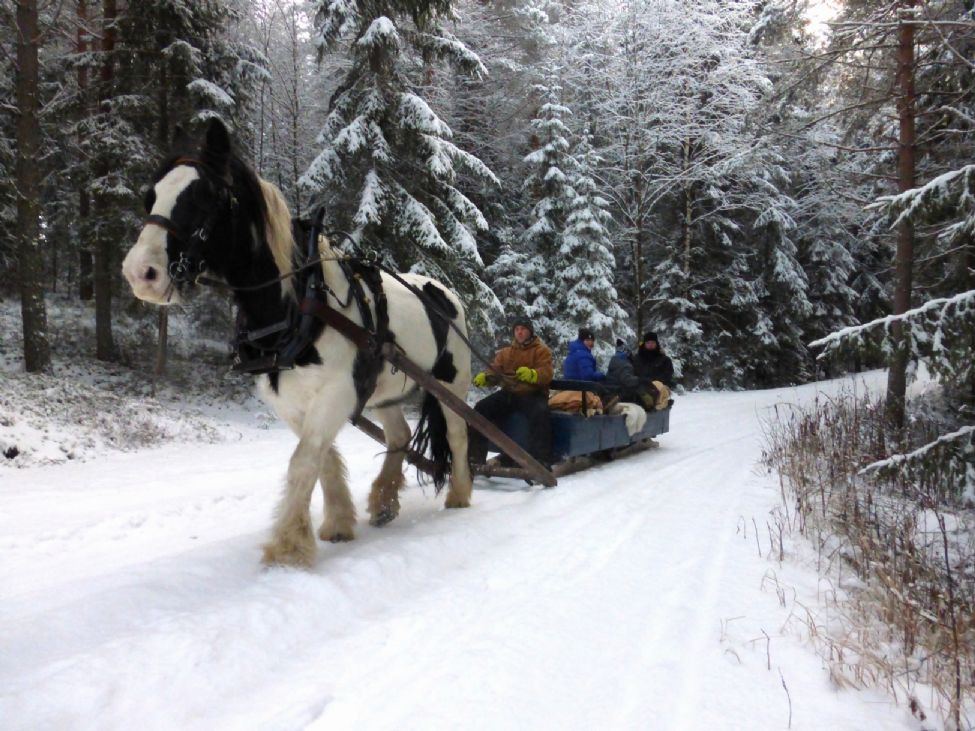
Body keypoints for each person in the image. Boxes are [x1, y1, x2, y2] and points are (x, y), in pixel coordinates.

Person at [468, 316, 554, 467]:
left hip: (532, 394)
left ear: (530, 332)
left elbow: (546, 373)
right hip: (510, 394)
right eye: (517, 329)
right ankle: (475, 456)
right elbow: (495, 370)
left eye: (523, 329)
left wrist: (533, 374)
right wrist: (486, 377)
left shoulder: (542, 351)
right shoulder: (506, 352)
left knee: (540, 413)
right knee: (481, 408)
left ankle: (541, 460)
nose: (519, 333)